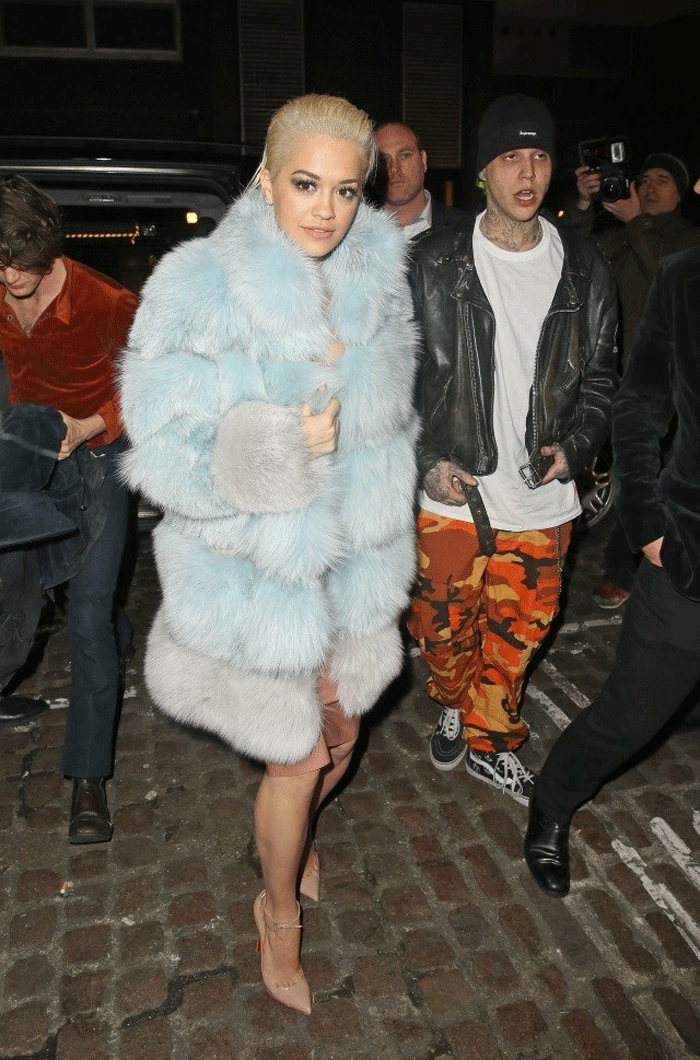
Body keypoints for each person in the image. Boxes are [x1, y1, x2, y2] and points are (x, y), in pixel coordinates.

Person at [120, 95, 418, 1014]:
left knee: (341, 741)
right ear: (266, 178)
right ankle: (276, 911)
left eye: (345, 189)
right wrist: (281, 444)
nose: (325, 209)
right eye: (305, 184)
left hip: (353, 567)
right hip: (256, 575)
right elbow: (158, 451)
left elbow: (397, 424)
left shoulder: (378, 280)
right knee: (294, 757)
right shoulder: (201, 283)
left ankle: (296, 839)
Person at [407, 94, 617, 802]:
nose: (526, 173)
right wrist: (425, 462)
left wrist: (578, 445)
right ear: (483, 171)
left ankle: (489, 739)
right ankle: (451, 698)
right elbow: (396, 377)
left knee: (520, 631)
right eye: (509, 158)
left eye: (539, 157)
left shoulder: (584, 264)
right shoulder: (433, 261)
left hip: (542, 495)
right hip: (454, 489)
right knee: (440, 629)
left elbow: (602, 376)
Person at [524, 203, 700, 898]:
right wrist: (648, 524)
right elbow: (639, 405)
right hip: (689, 555)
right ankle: (552, 800)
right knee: (630, 716)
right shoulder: (683, 279)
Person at [0, 175, 137, 841]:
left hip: (97, 454)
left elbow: (154, 388)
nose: (7, 279)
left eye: (16, 263)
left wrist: (90, 424)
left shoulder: (108, 303)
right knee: (34, 593)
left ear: (47, 245)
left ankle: (88, 780)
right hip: (26, 455)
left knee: (85, 616)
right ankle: (111, 626)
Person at [562, 152, 700, 609]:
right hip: (612, 373)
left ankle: (622, 567)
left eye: (664, 180)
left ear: (681, 193)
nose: (651, 187)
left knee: (645, 472)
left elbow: (669, 271)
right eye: (645, 179)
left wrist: (638, 221)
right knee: (611, 468)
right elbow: (569, 255)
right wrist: (583, 206)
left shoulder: (687, 239)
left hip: (670, 386)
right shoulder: (620, 235)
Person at [374, 121, 466, 241]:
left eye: (405, 155)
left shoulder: (465, 229)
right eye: (383, 160)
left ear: (423, 160)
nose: (394, 168)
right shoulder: (353, 233)